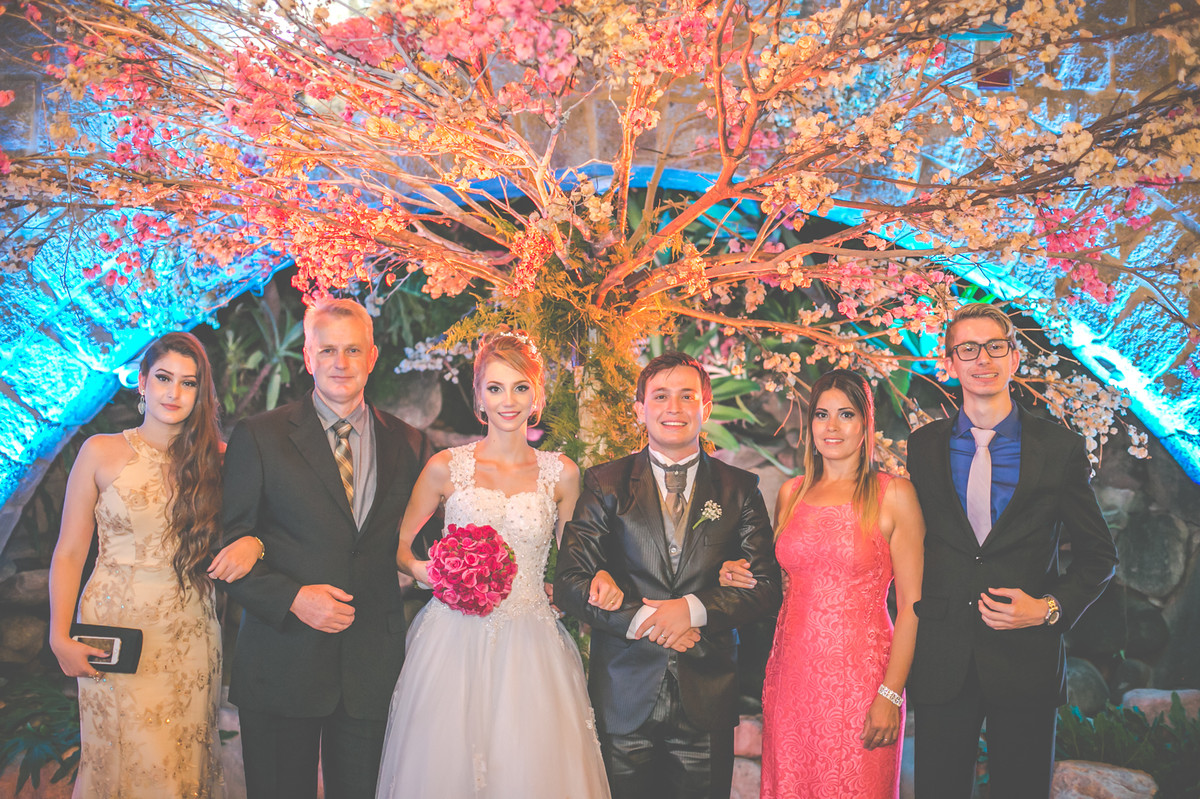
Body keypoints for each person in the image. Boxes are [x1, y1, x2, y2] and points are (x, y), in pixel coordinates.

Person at [377, 328, 616, 798]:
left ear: (537, 394)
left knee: (528, 766)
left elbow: (576, 561)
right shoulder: (445, 466)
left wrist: (570, 589)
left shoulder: (561, 473)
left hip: (531, 638)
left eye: (520, 387)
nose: (508, 401)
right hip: (452, 638)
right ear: (479, 397)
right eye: (495, 388)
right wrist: (429, 572)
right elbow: (400, 546)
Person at [220, 298, 434, 799]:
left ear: (372, 356)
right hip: (282, 660)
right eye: (328, 350)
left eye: (353, 350)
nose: (341, 362)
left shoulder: (410, 444)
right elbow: (227, 547)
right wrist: (294, 598)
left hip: (371, 668)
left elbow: (435, 544)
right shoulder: (260, 436)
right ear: (308, 357)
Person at [906, 303, 1118, 799]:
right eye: (968, 349)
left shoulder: (1059, 449)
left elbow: (1099, 556)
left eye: (995, 346)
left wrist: (1048, 609)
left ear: (1015, 358)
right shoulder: (922, 447)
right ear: (949, 362)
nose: (983, 359)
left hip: (1027, 659)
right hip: (943, 656)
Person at [554, 351, 782, 799]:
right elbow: (570, 581)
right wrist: (646, 620)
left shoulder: (739, 489)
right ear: (640, 409)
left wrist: (692, 610)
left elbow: (766, 588)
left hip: (707, 696)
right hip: (623, 696)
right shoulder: (605, 484)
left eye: (686, 396)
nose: (673, 408)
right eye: (660, 396)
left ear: (706, 408)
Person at [48, 331, 263, 798]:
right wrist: (58, 636)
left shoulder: (221, 460)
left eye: (188, 383)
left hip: (188, 635)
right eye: (164, 378)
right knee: (114, 762)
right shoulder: (100, 451)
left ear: (200, 394)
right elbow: (69, 552)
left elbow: (267, 526)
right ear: (142, 382)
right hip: (113, 630)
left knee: (175, 768)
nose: (173, 392)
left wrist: (256, 544)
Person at [719, 368, 925, 798]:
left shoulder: (894, 494)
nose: (832, 426)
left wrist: (890, 694)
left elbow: (913, 607)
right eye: (821, 414)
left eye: (846, 414)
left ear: (866, 424)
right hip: (790, 680)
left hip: (862, 685)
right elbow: (781, 588)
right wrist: (736, 574)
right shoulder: (790, 493)